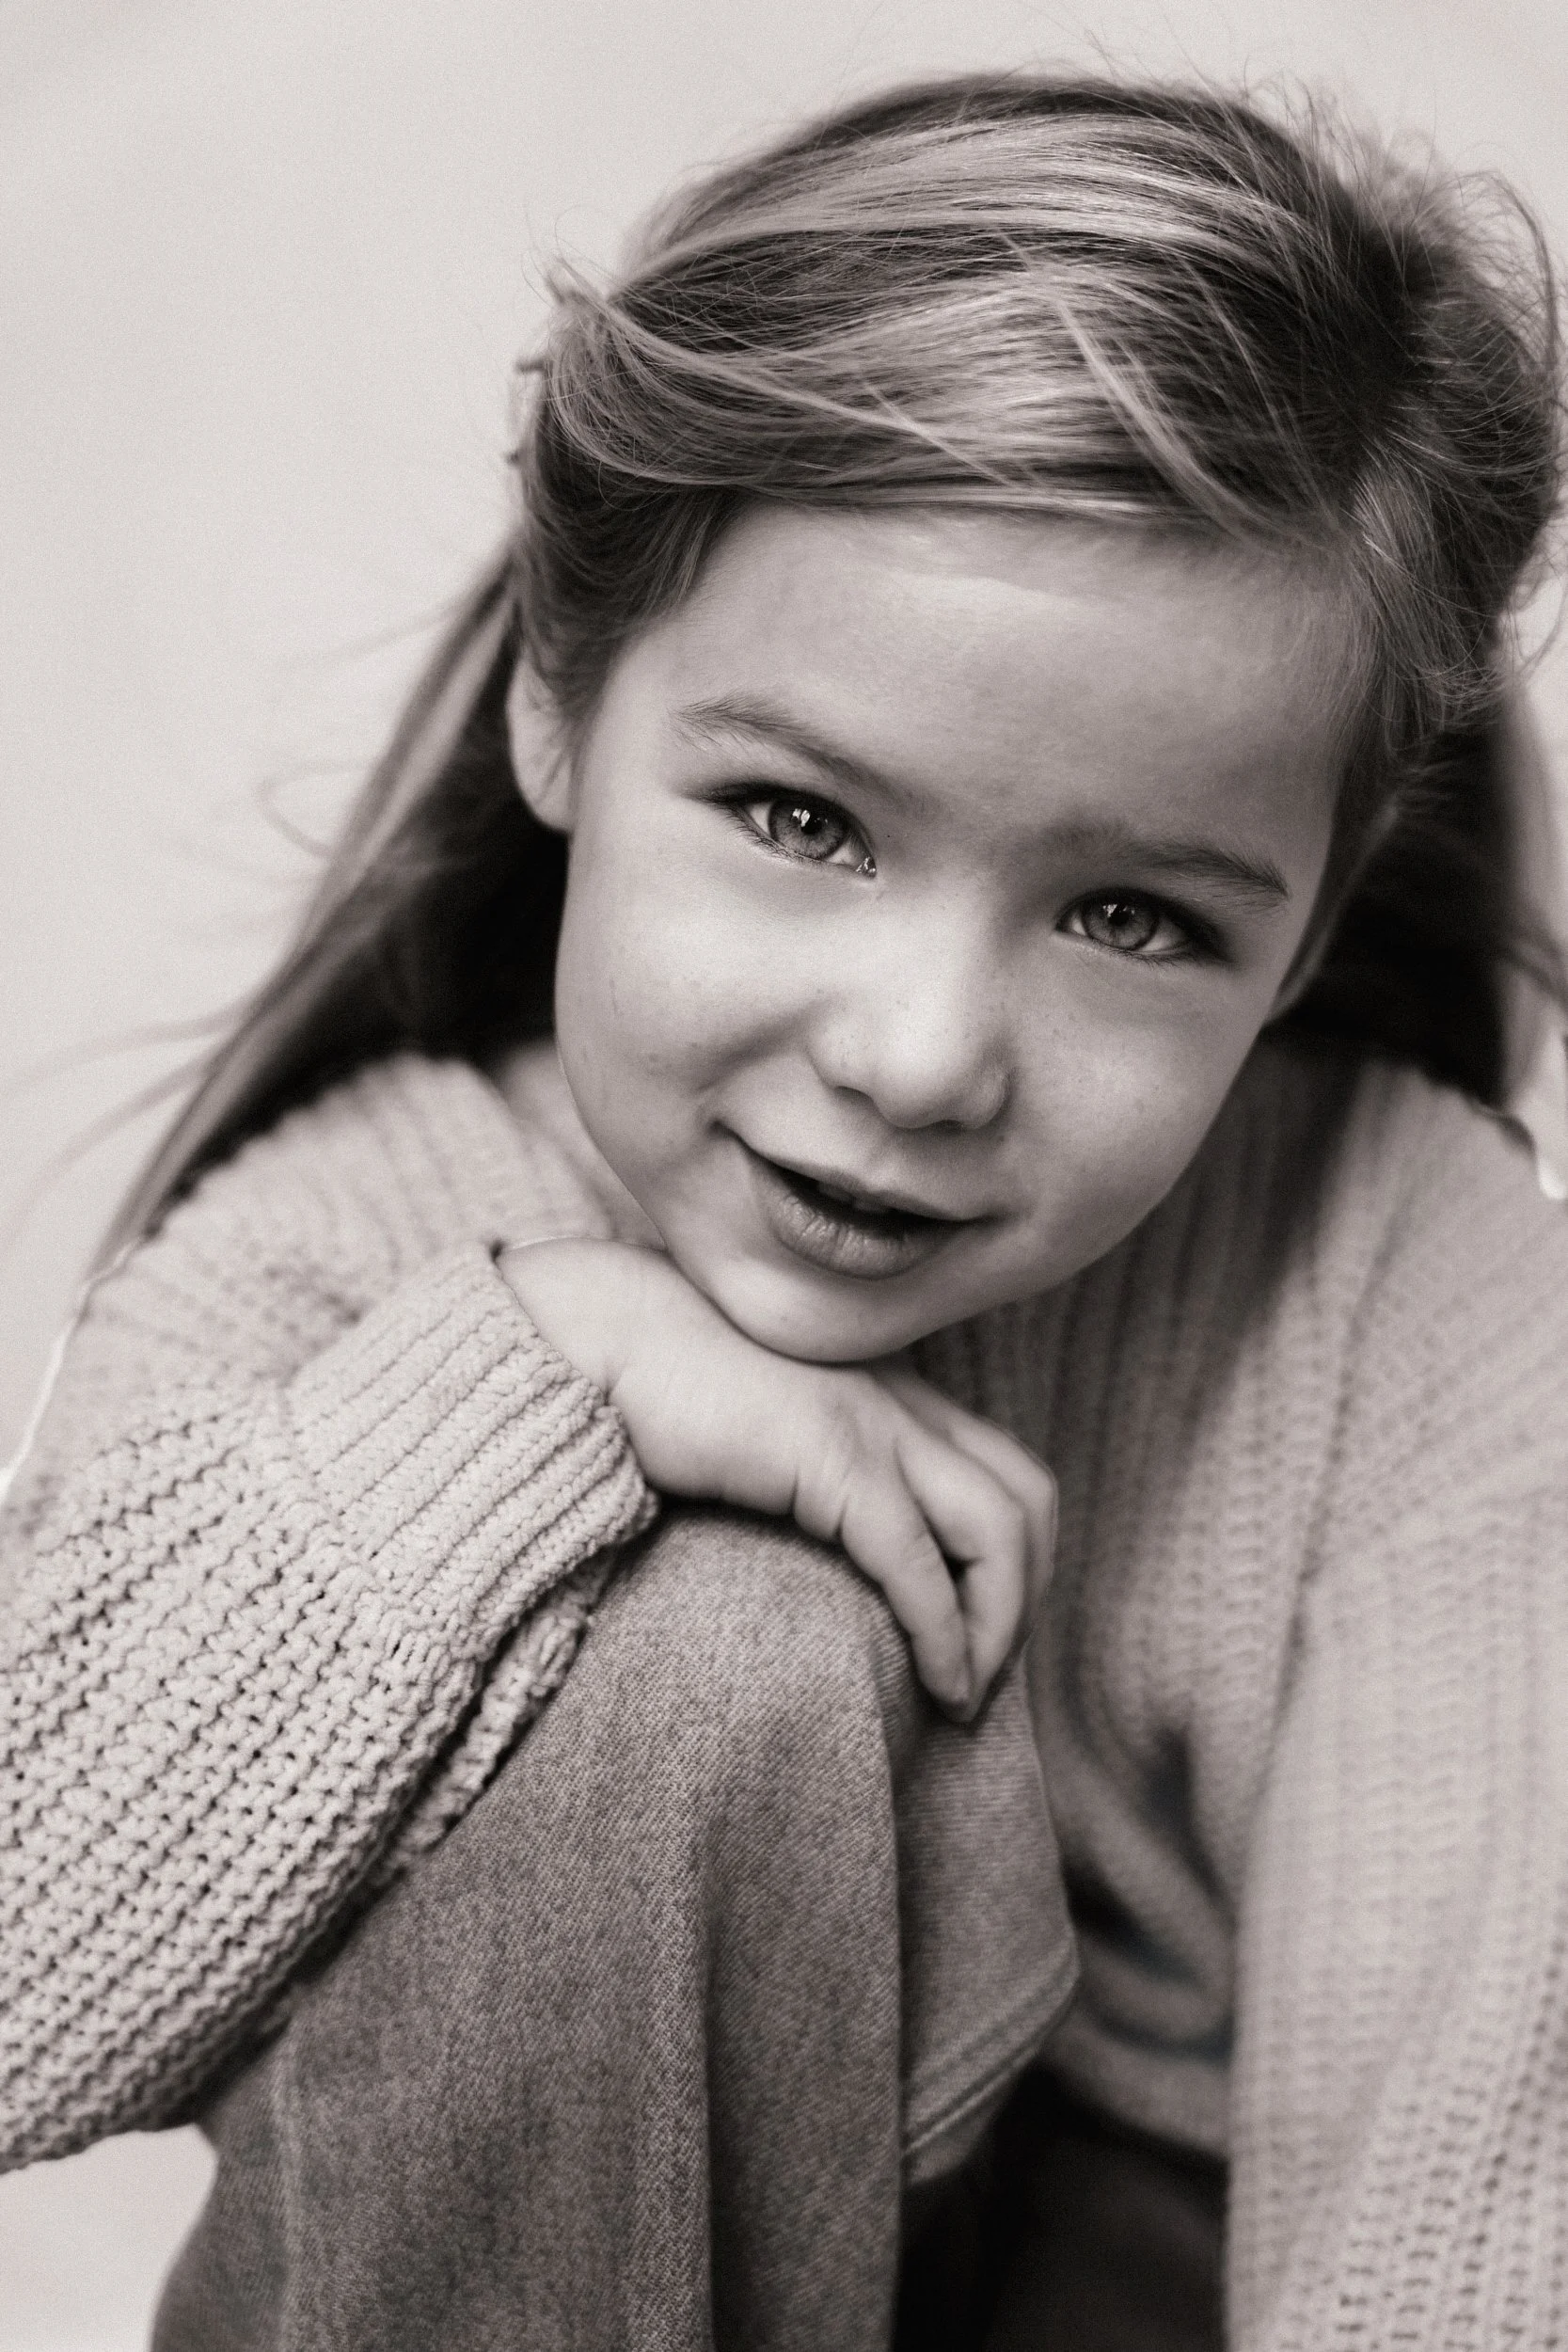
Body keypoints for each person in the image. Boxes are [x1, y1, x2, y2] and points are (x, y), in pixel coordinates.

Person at [4, 70, 1567, 2351]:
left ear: (1309, 939)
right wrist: (536, 1373)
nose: (921, 1053)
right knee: (694, 1651)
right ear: (561, 702)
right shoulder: (356, 1246)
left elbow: (1463, 2234)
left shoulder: (1412, 1288)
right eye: (802, 819)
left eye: (1131, 916)